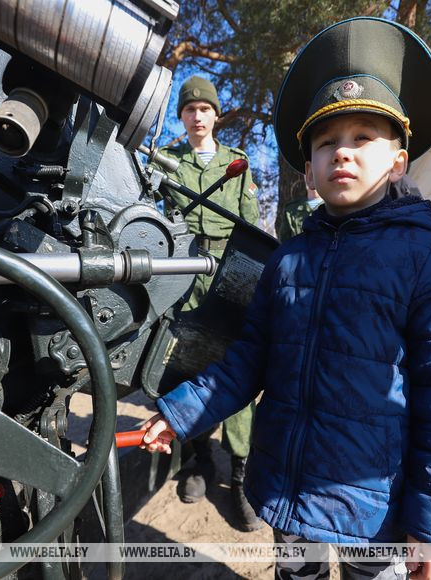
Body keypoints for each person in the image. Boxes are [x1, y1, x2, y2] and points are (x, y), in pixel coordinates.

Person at [142, 18, 431, 580]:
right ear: (308, 172)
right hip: (286, 486)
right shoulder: (288, 259)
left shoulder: (429, 263)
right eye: (326, 143)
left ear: (398, 160)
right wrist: (178, 413)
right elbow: (248, 359)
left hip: (375, 504)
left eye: (362, 138)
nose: (342, 154)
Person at [154, 75, 262, 531]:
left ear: (216, 115)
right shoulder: (168, 164)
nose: (197, 116)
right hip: (180, 269)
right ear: (182, 116)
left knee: (233, 366)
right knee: (181, 364)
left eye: (204, 109)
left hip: (227, 270)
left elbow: (252, 227)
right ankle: (200, 460)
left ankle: (240, 475)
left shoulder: (235, 162)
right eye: (189, 110)